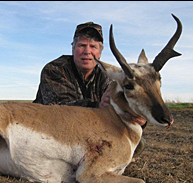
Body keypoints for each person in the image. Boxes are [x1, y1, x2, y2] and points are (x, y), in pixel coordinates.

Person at [33, 21, 146, 156]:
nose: (87, 51)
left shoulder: (106, 77)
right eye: (82, 45)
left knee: (137, 142)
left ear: (99, 53)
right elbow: (61, 109)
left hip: (87, 130)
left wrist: (137, 116)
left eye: (93, 46)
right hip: (51, 128)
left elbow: (116, 109)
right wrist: (99, 106)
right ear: (73, 49)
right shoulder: (55, 69)